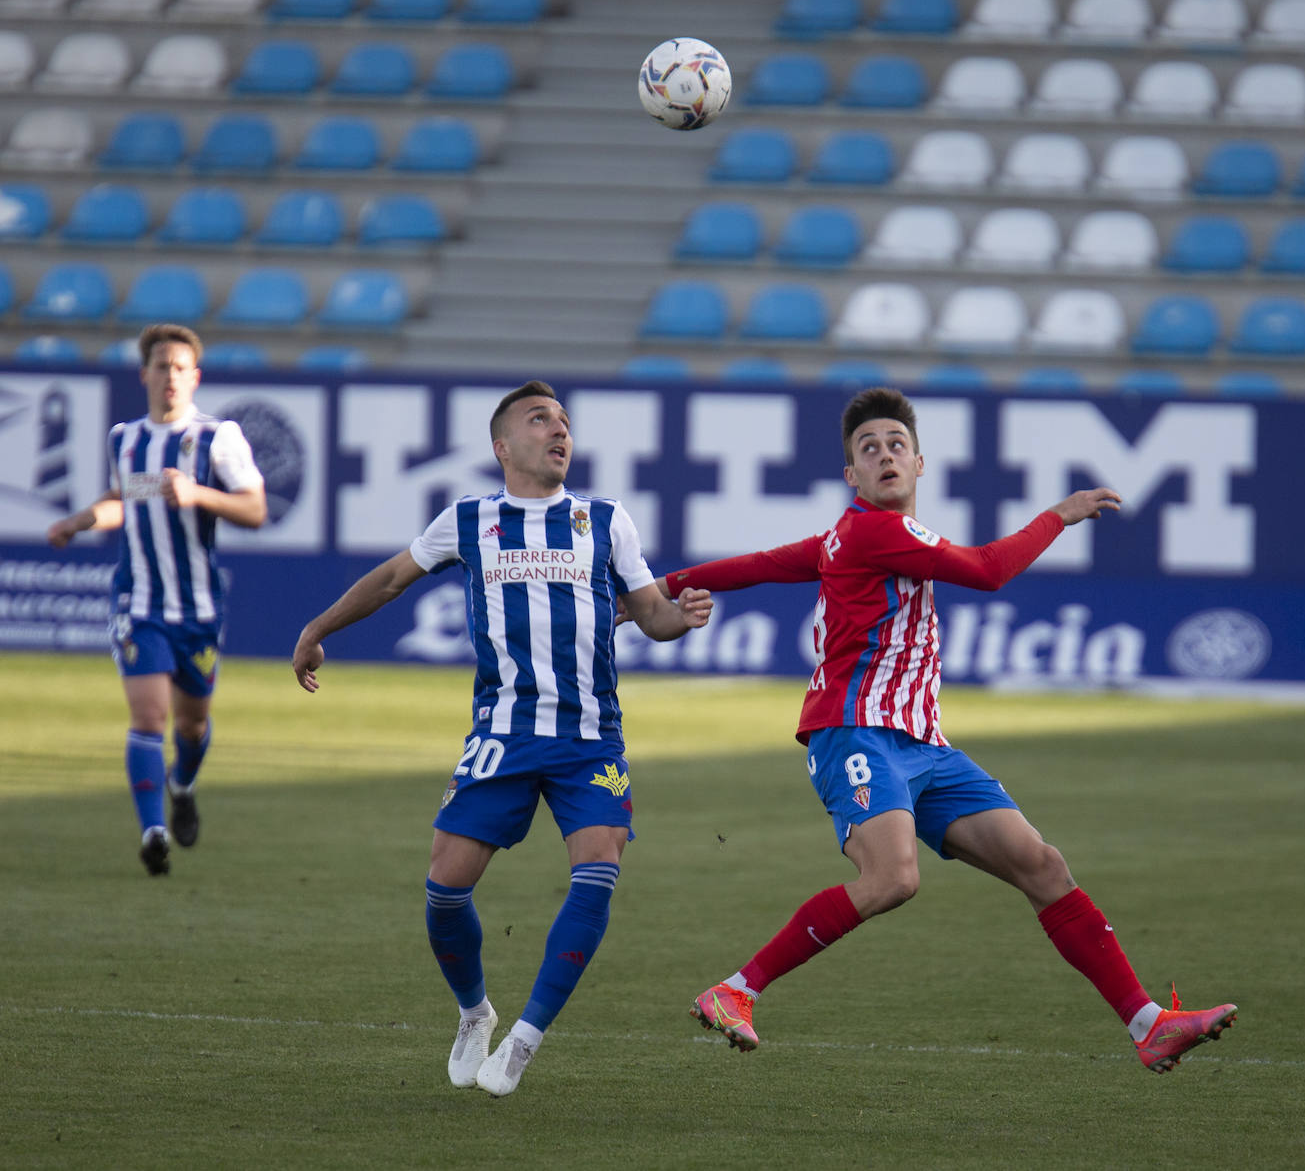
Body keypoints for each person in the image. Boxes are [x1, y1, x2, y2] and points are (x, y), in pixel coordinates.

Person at [663, 387, 1236, 1074]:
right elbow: (990, 572)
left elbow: (757, 566)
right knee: (892, 878)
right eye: (867, 449)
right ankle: (735, 991)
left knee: (1043, 866)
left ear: (919, 463)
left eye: (895, 445)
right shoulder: (875, 530)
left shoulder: (845, 539)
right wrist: (1060, 513)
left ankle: (1149, 1025)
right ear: (851, 476)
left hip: (925, 747)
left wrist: (664, 585)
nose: (883, 456)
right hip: (856, 732)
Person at [291, 380, 712, 1098]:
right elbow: (393, 578)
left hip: (589, 738)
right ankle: (474, 1012)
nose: (559, 430)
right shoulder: (469, 520)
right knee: (445, 890)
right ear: (502, 446)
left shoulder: (605, 520)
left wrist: (683, 614)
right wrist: (318, 628)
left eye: (565, 421)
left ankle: (525, 1038)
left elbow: (650, 613)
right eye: (539, 418)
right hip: (503, 733)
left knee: (598, 869)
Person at [46, 323, 268, 877]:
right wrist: (81, 520)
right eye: (160, 366)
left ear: (194, 377)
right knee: (149, 713)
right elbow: (126, 499)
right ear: (143, 373)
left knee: (191, 725)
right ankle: (152, 830)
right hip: (137, 602)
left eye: (179, 367)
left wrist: (199, 494)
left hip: (196, 609)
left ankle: (182, 784)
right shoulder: (125, 439)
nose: (169, 376)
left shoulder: (219, 437)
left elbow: (255, 510)